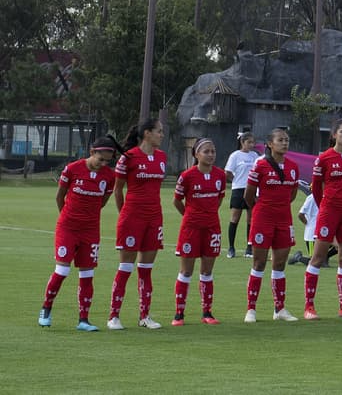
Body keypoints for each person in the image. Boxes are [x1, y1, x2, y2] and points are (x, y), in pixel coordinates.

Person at [39, 136, 119, 331]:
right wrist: (68, 218)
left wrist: (87, 219)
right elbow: (60, 197)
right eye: (100, 159)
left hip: (90, 230)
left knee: (87, 273)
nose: (103, 164)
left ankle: (83, 320)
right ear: (92, 152)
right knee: (63, 270)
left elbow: (103, 201)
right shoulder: (73, 169)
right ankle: (46, 309)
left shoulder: (109, 176)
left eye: (107, 161)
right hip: (68, 227)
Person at [108, 119, 168, 331]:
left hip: (154, 218)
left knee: (146, 269)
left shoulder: (161, 157)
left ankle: (145, 316)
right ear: (147, 134)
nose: (162, 135)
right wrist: (125, 214)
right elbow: (118, 190)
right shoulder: (129, 158)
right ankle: (114, 316)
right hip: (132, 218)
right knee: (125, 267)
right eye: (159, 131)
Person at [304, 118, 342, 320]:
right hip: (329, 212)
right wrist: (325, 209)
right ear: (334, 135)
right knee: (318, 257)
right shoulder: (324, 159)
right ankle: (309, 306)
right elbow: (316, 188)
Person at [243, 127, 302, 323]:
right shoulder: (260, 165)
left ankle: (279, 309)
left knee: (279, 264)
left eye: (286, 140)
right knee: (259, 263)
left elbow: (292, 193)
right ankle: (251, 309)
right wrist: (261, 210)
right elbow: (248, 194)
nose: (284, 143)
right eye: (280, 140)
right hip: (263, 217)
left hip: (284, 218)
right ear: (270, 144)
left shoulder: (293, 166)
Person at [171, 138, 227, 326]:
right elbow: (177, 201)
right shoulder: (187, 176)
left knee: (207, 271)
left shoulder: (220, 175)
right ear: (196, 154)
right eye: (206, 152)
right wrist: (190, 216)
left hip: (212, 227)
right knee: (186, 271)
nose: (211, 155)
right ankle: (179, 314)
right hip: (191, 228)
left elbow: (218, 200)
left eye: (213, 151)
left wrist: (208, 214)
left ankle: (207, 312)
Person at [224, 132, 258, 259]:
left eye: (252, 142)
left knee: (251, 219)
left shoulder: (255, 156)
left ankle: (249, 247)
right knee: (235, 218)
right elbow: (227, 172)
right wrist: (235, 180)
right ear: (242, 142)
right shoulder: (235, 156)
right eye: (249, 142)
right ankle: (231, 248)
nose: (251, 145)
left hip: (251, 190)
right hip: (238, 189)